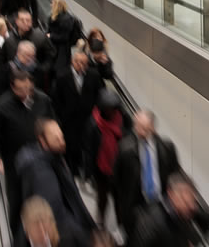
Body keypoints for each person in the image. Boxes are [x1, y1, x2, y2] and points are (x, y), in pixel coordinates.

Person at [0, 69, 55, 235]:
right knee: (17, 204)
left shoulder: (43, 100)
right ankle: (17, 237)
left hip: (42, 161)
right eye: (20, 90)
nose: (25, 93)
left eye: (28, 89)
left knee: (43, 200)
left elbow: (53, 123)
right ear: (12, 87)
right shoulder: (1, 106)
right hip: (15, 165)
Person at [16, 119, 96, 243]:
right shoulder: (41, 173)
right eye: (56, 139)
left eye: (61, 137)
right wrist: (80, 235)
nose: (62, 142)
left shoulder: (52, 157)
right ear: (43, 141)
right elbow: (55, 212)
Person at [112, 110, 180, 240]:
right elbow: (116, 180)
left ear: (153, 128)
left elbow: (175, 176)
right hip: (136, 207)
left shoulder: (167, 148)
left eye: (144, 128)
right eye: (137, 126)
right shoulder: (125, 149)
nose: (139, 132)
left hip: (161, 205)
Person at [52, 51, 103, 175]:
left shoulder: (94, 75)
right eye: (78, 62)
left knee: (87, 146)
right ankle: (72, 170)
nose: (80, 65)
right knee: (71, 146)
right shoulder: (62, 76)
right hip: (69, 119)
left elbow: (100, 94)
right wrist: (60, 117)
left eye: (84, 63)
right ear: (72, 61)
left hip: (88, 118)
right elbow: (56, 99)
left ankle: (87, 172)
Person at [83, 89, 130, 223]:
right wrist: (88, 172)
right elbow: (88, 149)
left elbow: (130, 136)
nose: (111, 111)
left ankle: (121, 223)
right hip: (102, 169)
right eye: (108, 108)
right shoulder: (93, 123)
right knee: (102, 197)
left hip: (119, 167)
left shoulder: (123, 118)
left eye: (113, 108)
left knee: (119, 198)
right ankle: (101, 220)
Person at [129, 175, 209, 247]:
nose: (191, 206)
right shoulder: (150, 222)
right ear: (171, 194)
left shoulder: (182, 212)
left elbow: (206, 219)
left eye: (192, 201)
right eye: (185, 201)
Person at [3, 10, 53, 91]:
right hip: (15, 81)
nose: (26, 23)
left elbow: (51, 55)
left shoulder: (40, 36)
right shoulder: (9, 39)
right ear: (17, 21)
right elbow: (2, 59)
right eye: (22, 20)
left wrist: (43, 68)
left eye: (28, 20)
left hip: (36, 80)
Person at [18, 196, 90, 247]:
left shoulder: (72, 234)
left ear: (53, 223)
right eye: (37, 230)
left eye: (46, 228)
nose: (43, 234)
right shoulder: (20, 243)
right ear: (27, 232)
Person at [47, 0, 83, 76]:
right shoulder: (53, 17)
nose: (51, 5)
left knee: (59, 69)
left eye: (52, 3)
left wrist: (51, 36)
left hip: (62, 50)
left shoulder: (66, 19)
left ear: (57, 6)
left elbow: (64, 37)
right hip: (55, 48)